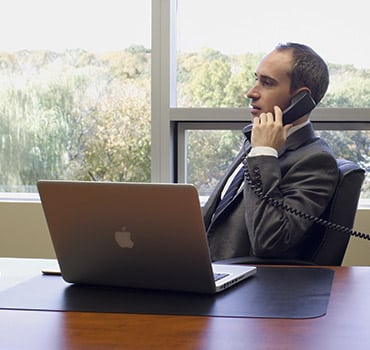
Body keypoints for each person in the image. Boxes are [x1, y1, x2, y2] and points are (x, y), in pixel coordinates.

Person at [203, 42, 339, 263]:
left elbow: (270, 242)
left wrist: (265, 153)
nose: (251, 92)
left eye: (266, 83)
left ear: (300, 99)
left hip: (246, 288)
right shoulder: (254, 140)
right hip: (204, 270)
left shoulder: (315, 160)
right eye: (256, 79)